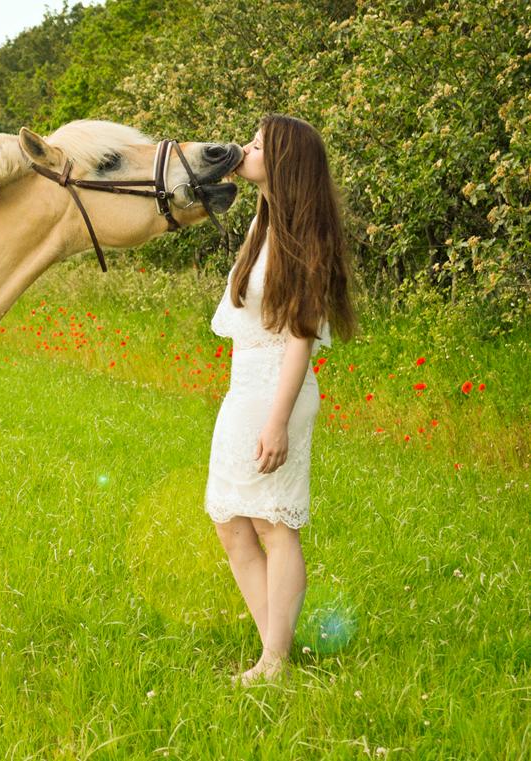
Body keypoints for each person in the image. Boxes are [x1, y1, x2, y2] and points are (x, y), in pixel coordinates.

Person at [205, 114, 357, 685]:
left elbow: (300, 339)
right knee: (230, 520)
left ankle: (274, 660)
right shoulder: (262, 223)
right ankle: (274, 649)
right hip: (245, 384)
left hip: (278, 391)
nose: (244, 149)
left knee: (273, 525)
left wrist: (277, 422)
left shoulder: (307, 235)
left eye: (256, 144)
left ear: (285, 162)